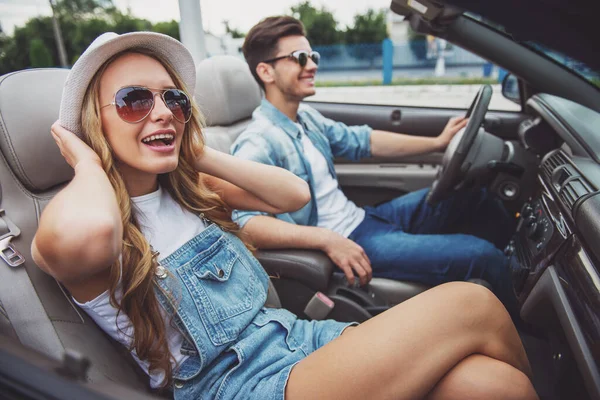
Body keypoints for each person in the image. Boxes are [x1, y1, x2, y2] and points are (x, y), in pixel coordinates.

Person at [32, 31, 537, 400]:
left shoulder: (191, 189)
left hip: (293, 338)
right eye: (133, 100)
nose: (162, 111)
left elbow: (292, 194)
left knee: (497, 385)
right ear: (89, 123)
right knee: (473, 303)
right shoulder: (75, 224)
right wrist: (87, 159)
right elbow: (94, 233)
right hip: (239, 386)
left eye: (174, 99)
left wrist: (192, 148)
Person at [231, 16, 518, 310]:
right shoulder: (259, 140)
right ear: (266, 71)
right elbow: (246, 223)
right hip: (351, 240)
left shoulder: (306, 118)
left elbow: (364, 141)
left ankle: (516, 274)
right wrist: (326, 240)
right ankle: (533, 331)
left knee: (477, 198)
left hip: (366, 219)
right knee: (482, 256)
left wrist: (438, 143)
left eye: (312, 56)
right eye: (300, 58)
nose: (313, 65)